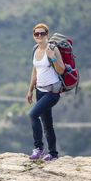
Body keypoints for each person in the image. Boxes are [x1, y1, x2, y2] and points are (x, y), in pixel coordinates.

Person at [26, 23, 65, 161]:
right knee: (47, 124)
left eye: (42, 33)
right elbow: (35, 70)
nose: (39, 36)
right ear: (34, 36)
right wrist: (30, 90)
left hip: (52, 92)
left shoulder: (52, 49)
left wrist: (52, 57)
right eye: (36, 34)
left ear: (47, 35)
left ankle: (39, 149)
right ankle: (53, 154)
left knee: (32, 114)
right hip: (40, 91)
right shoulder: (35, 50)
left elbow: (61, 70)